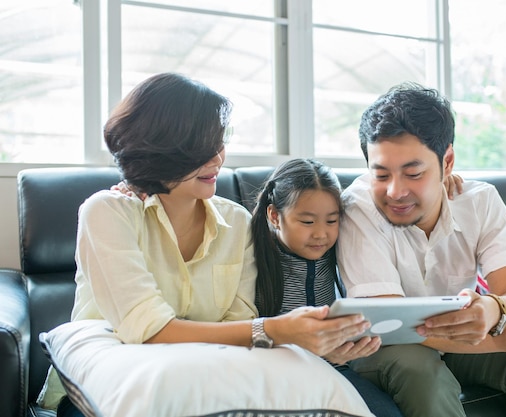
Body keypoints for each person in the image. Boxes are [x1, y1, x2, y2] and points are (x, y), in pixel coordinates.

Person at [38, 72, 371, 416]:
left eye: (219, 141)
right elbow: (147, 329)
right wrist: (275, 329)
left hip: (207, 383)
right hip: (105, 391)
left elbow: (239, 322)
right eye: (202, 146)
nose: (217, 157)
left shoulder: (236, 222)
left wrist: (319, 347)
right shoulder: (107, 212)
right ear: (161, 147)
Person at [336, 82, 506, 417]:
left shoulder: (480, 201)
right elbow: (394, 322)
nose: (395, 191)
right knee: (420, 369)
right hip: (385, 344)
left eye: (413, 173)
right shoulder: (357, 209)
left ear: (448, 162)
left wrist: (492, 309)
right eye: (381, 174)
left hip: (463, 341)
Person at [250, 158, 403, 417]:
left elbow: (380, 204)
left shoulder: (342, 244)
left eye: (331, 221)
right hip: (276, 373)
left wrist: (442, 182)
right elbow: (244, 333)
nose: (321, 234)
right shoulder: (252, 253)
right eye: (307, 222)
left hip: (335, 367)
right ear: (275, 215)